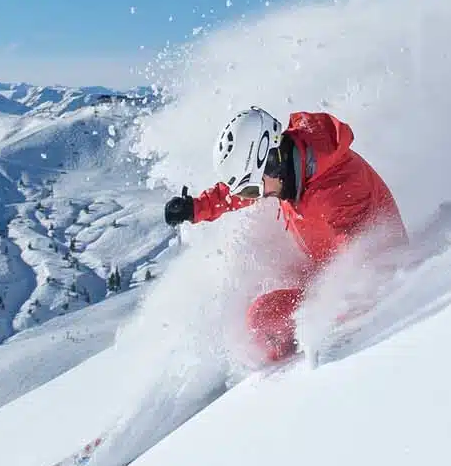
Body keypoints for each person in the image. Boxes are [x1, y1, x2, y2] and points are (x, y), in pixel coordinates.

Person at [164, 107, 405, 363]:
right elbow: (235, 190)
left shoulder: (340, 187)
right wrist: (197, 207)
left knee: (262, 319)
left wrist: (333, 327)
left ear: (271, 163)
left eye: (252, 190)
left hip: (375, 286)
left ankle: (287, 381)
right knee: (258, 312)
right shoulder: (291, 168)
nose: (254, 197)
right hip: (326, 269)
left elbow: (368, 267)